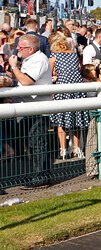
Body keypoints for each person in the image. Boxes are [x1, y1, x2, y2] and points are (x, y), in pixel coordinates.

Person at [8, 34, 53, 189]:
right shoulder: (30, 59)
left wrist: (14, 67)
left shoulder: (39, 59)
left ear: (30, 49)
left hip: (38, 109)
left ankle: (42, 177)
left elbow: (27, 81)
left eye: (21, 47)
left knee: (37, 143)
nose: (17, 49)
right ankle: (38, 174)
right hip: (29, 107)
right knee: (31, 143)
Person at [48, 33, 89, 159]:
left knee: (61, 119)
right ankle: (77, 148)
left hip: (63, 87)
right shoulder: (73, 54)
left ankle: (63, 150)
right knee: (77, 118)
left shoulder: (54, 55)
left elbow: (49, 73)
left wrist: (56, 76)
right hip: (77, 87)